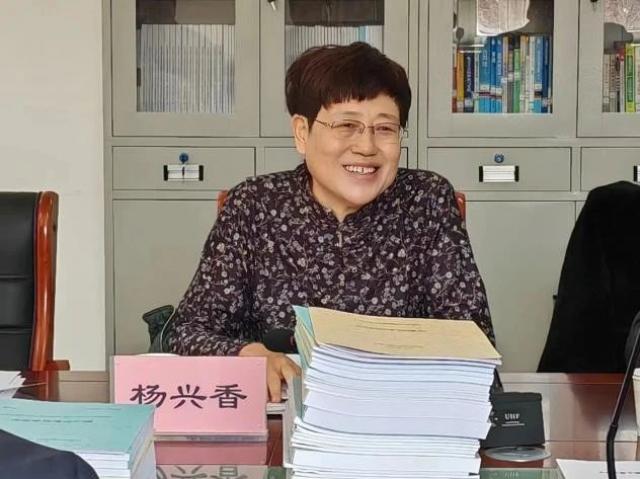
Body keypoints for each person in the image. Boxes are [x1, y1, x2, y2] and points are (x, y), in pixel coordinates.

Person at [166, 42, 494, 401]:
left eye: (385, 129)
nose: (366, 147)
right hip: (281, 412)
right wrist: (248, 356)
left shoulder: (426, 200)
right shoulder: (255, 204)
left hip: (398, 411)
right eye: (346, 125)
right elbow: (188, 330)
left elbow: (473, 342)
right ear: (302, 133)